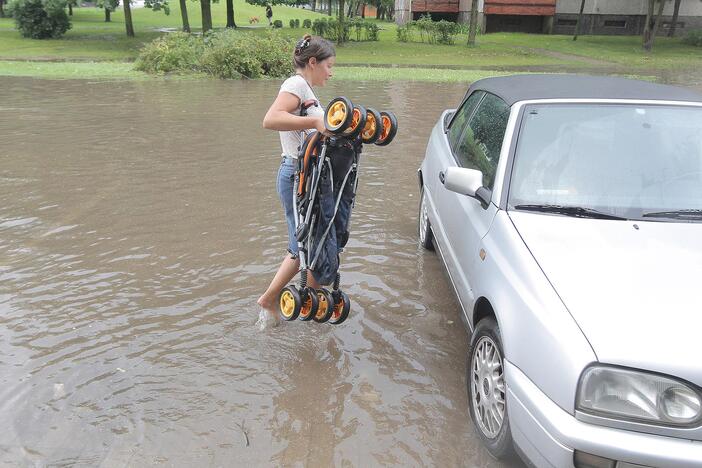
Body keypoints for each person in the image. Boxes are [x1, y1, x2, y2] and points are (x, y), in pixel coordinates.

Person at [257, 34, 336, 329]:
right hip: (295, 175)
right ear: (312, 63)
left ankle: (313, 303)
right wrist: (315, 122)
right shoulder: (295, 85)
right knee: (300, 243)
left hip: (309, 175)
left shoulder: (308, 91)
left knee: (311, 241)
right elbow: (271, 119)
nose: (331, 72)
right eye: (329, 65)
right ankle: (269, 299)